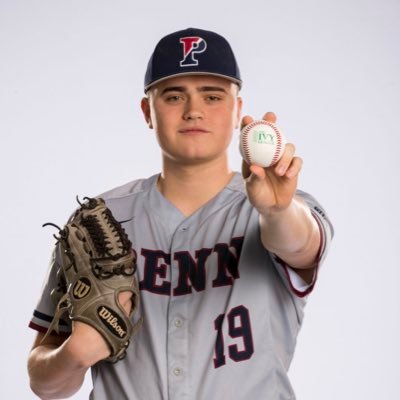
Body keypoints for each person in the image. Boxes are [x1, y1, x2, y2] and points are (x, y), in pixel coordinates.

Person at [27, 27, 333, 399]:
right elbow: (44, 384)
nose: (193, 110)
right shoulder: (96, 222)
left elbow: (300, 244)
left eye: (212, 95)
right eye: (174, 96)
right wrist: (73, 354)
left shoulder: (282, 209)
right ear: (147, 111)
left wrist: (278, 210)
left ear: (238, 110)